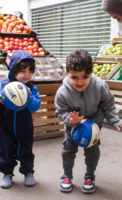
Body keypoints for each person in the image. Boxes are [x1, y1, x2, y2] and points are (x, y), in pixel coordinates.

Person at [54, 49, 122, 194]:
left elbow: (108, 105)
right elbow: (60, 112)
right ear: (67, 73)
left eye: (85, 77)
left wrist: (115, 121)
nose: (80, 82)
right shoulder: (62, 93)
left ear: (91, 73)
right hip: (72, 126)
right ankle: (67, 176)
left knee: (92, 152)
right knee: (68, 151)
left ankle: (90, 176)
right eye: (74, 77)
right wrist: (70, 120)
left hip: (93, 126)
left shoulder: (100, 86)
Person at [0, 50, 41, 189]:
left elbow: (34, 107)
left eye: (30, 72)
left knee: (26, 149)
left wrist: (29, 98)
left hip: (24, 126)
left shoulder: (31, 88)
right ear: (13, 69)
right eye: (23, 71)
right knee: (5, 149)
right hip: (4, 125)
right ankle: (7, 173)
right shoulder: (3, 85)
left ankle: (28, 172)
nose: (27, 75)